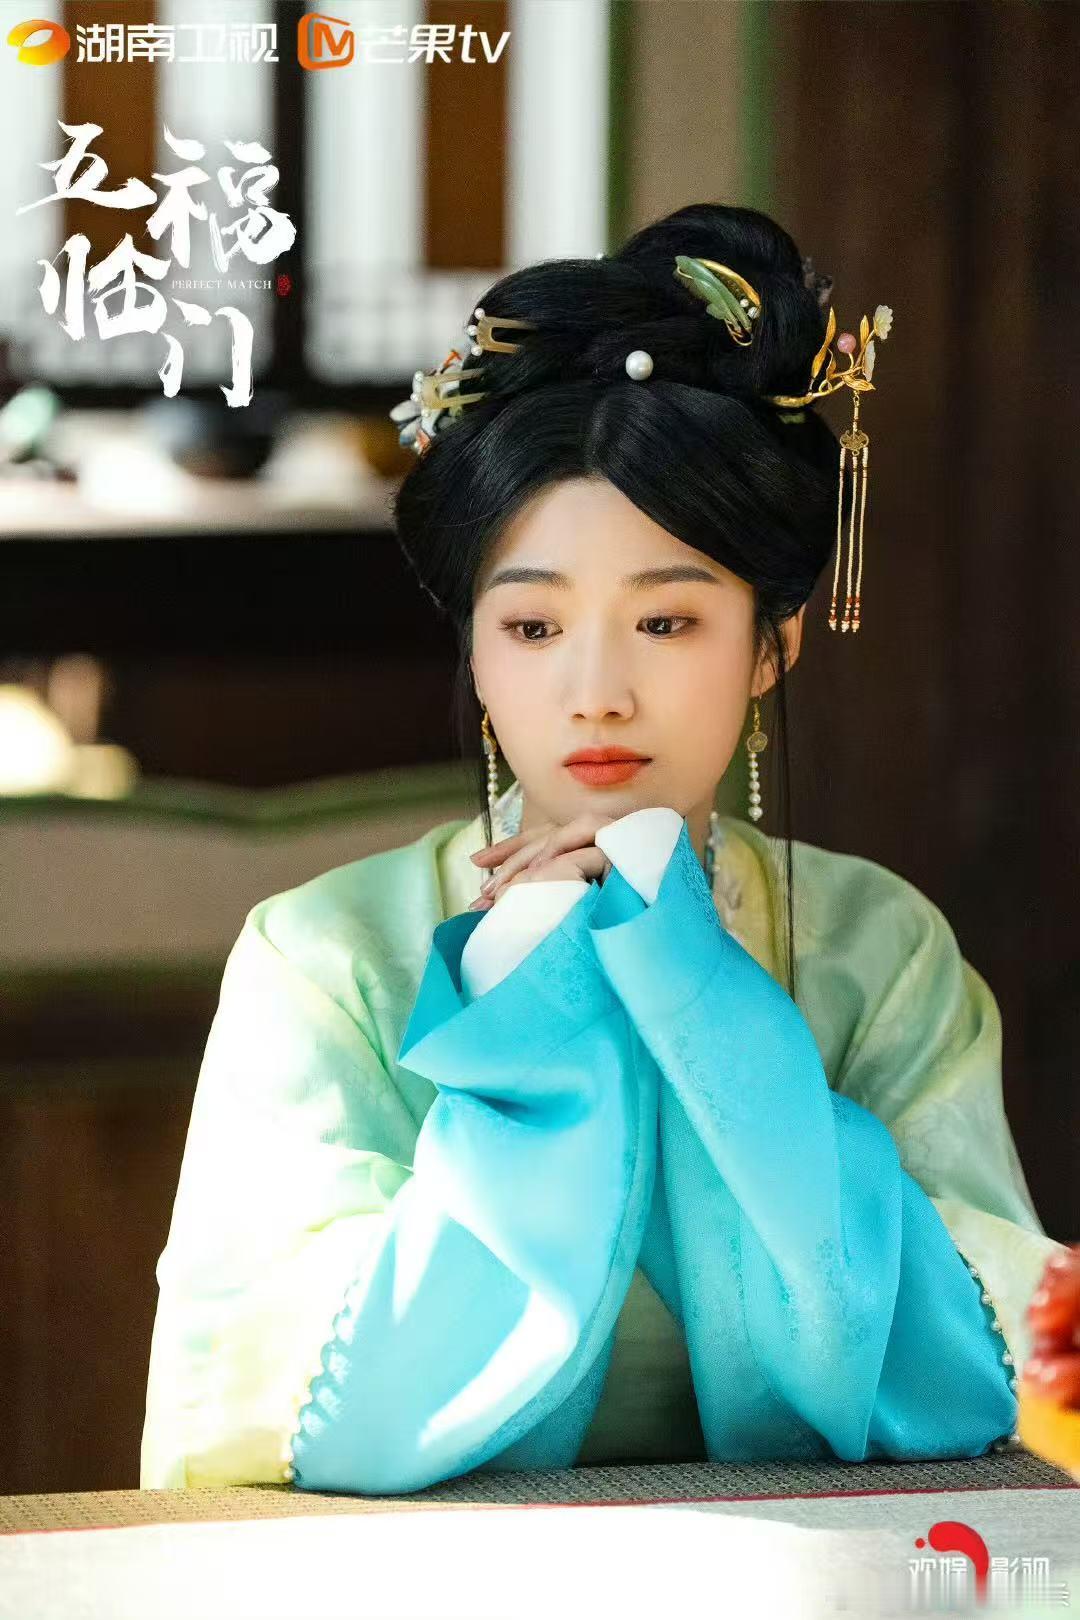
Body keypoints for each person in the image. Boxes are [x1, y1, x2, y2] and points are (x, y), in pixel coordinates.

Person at [140, 203, 1063, 1496]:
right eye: (532, 629)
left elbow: (977, 1365)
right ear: (473, 649)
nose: (596, 696)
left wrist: (697, 992)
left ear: (773, 646)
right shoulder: (325, 958)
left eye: (668, 623)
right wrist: (526, 1011)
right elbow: (287, 1403)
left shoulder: (878, 951)